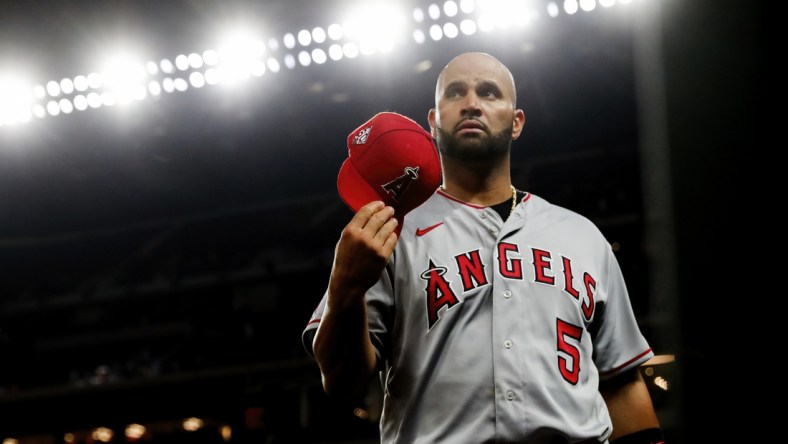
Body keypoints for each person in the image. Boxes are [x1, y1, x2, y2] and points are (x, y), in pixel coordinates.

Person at [302, 52, 663, 444]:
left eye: (489, 93)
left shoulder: (582, 236)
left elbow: (622, 382)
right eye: (456, 93)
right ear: (433, 122)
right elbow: (342, 384)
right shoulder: (392, 230)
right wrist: (346, 288)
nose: (472, 103)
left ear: (517, 122)